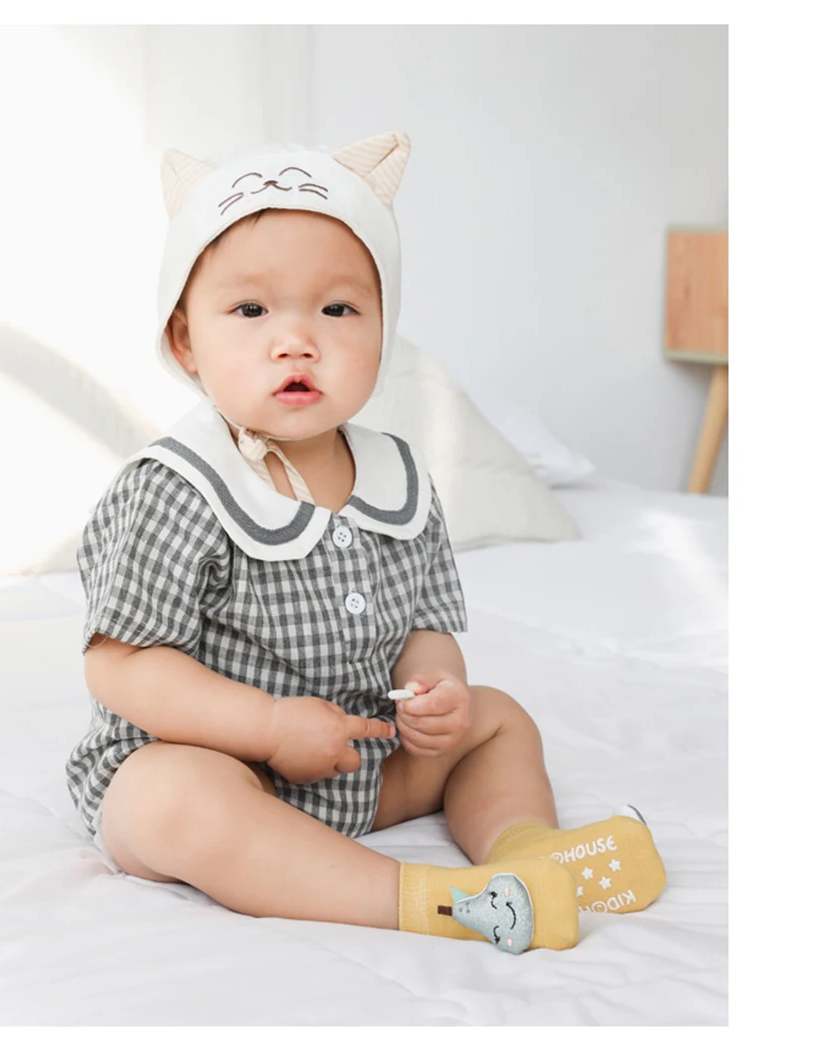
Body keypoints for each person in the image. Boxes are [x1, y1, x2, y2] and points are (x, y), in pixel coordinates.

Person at [65, 131, 666, 954]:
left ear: (384, 332)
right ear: (186, 343)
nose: (296, 340)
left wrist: (436, 688)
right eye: (251, 310)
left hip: (359, 765)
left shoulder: (398, 477)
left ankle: (528, 854)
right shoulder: (178, 486)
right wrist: (268, 727)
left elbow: (424, 625)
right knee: (171, 797)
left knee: (497, 719)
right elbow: (122, 664)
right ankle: (439, 901)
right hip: (223, 763)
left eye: (338, 309)